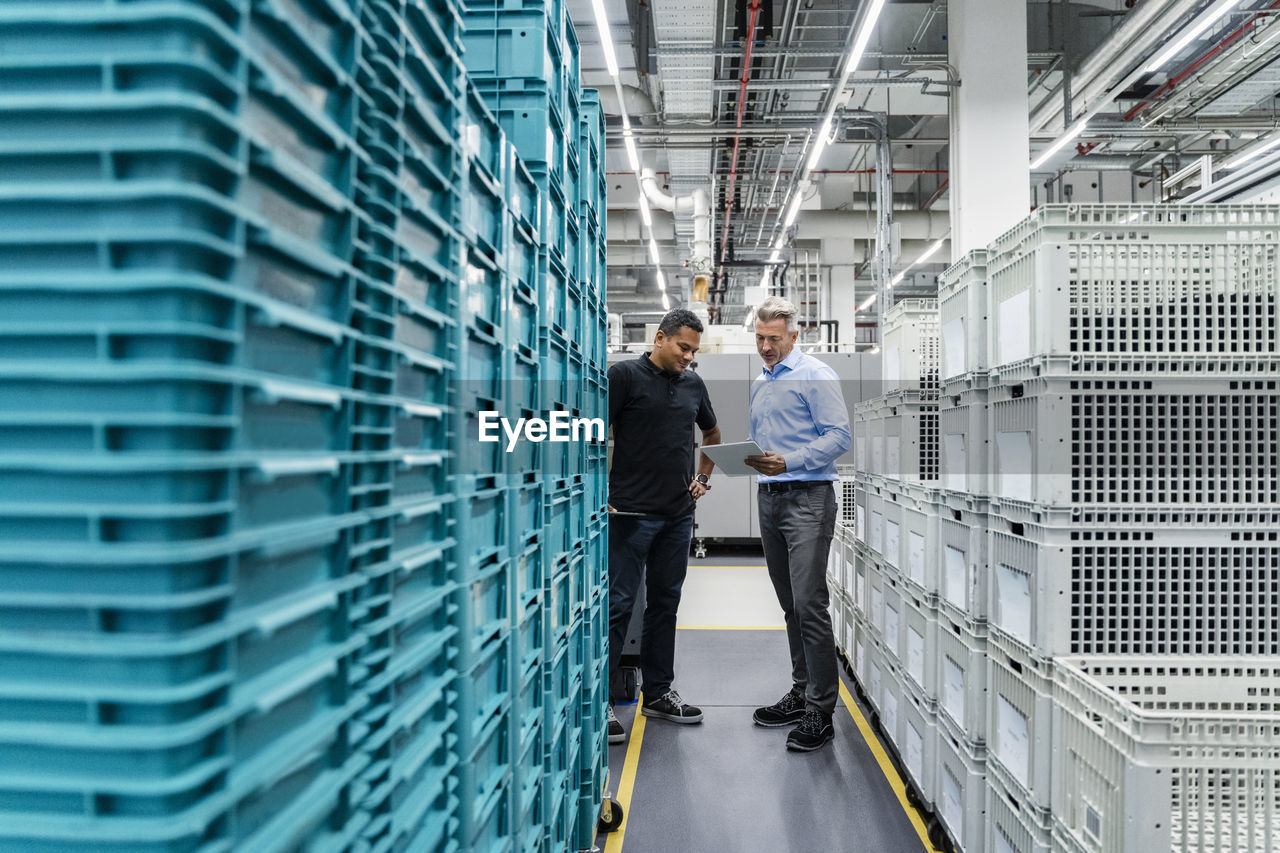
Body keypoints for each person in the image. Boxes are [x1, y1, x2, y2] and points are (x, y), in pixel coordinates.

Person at [605, 308, 721, 744]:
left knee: (665, 605)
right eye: (683, 347)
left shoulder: (693, 384)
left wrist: (703, 477)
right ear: (659, 338)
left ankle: (657, 693)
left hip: (677, 516)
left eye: (694, 350)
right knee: (618, 606)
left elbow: (712, 435)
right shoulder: (624, 377)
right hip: (630, 515)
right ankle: (601, 702)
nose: (689, 357)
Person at [744, 296, 851, 752]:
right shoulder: (761, 382)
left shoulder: (816, 375)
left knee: (810, 605)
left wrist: (790, 461)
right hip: (770, 499)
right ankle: (802, 689)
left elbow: (839, 437)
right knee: (790, 604)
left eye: (773, 339)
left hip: (808, 499)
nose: (766, 347)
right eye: (760, 338)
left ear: (794, 335)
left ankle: (821, 711)